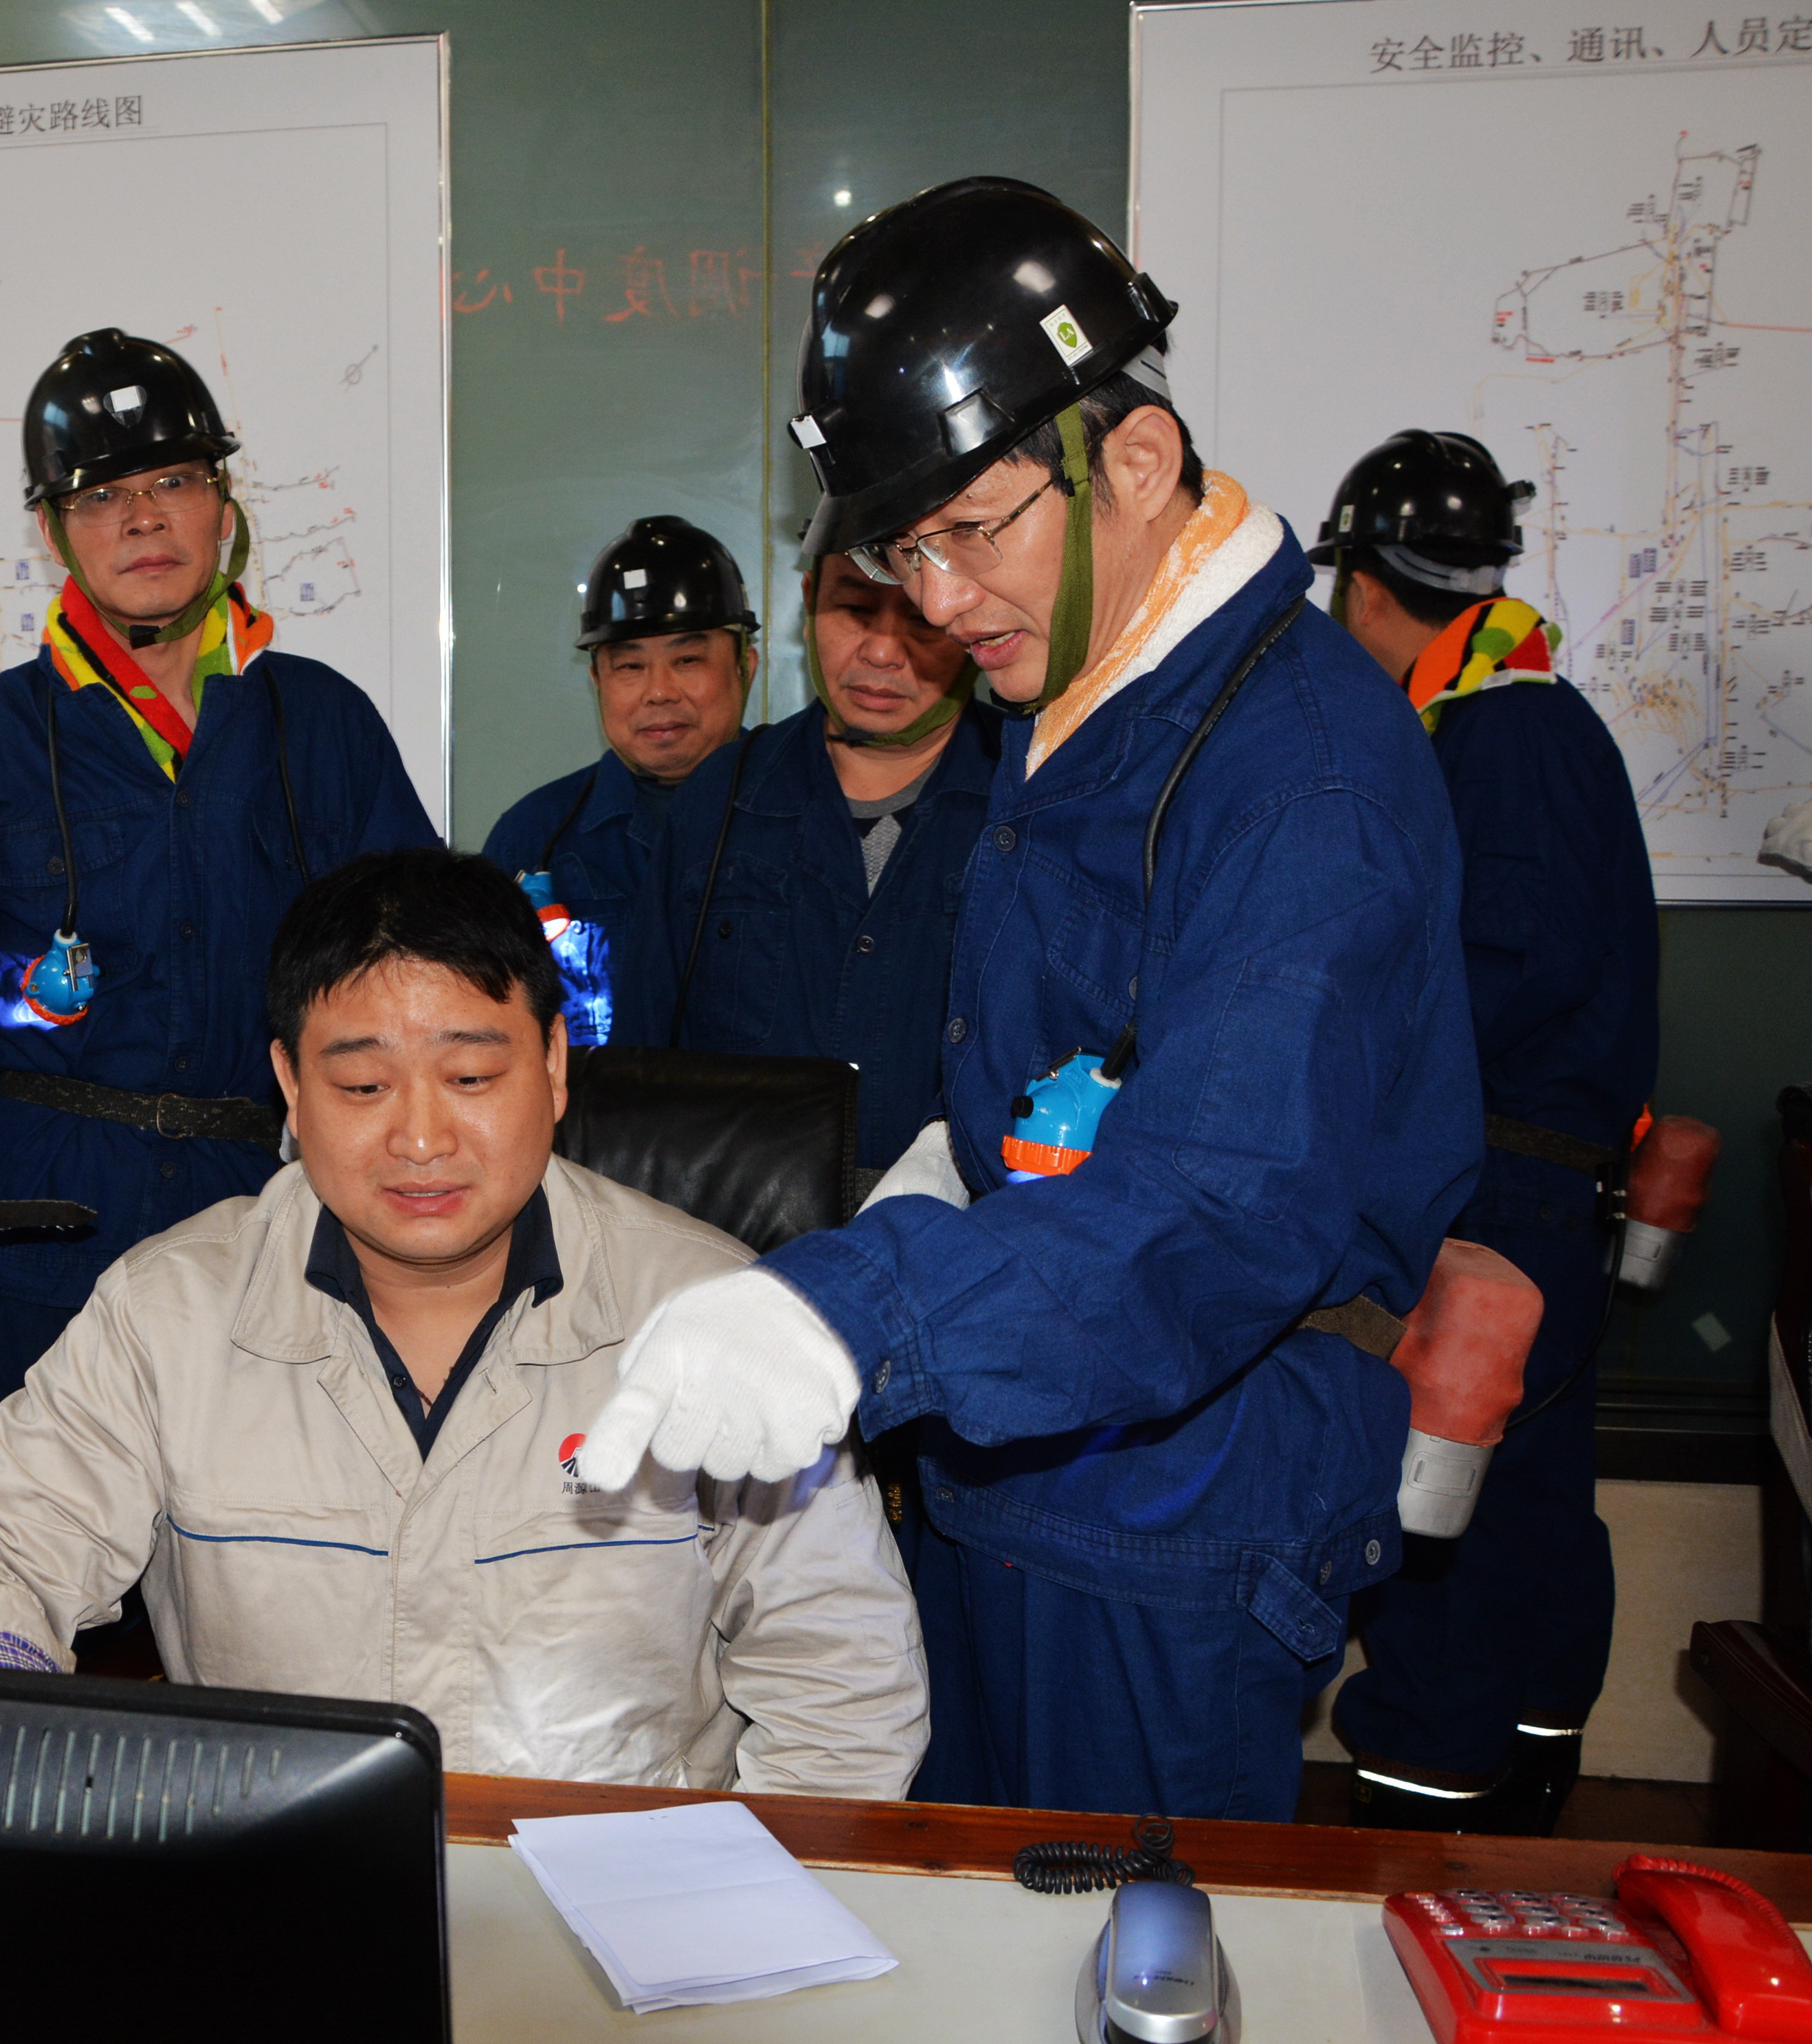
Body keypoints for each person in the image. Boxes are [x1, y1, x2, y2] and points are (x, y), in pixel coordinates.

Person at [575, 176, 1483, 1823]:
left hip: (1170, 1520)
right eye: (896, 551)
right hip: (1016, 1473)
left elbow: (1217, 1201)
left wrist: (862, 1311)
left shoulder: (1299, 777)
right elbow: (1063, 1081)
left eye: (966, 533)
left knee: (1116, 1966)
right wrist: (938, 1171)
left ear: (1132, 462)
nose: (928, 604)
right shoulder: (1085, 700)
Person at [0, 847, 928, 1797]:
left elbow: (843, 1674)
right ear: (288, 1090)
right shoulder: (172, 1312)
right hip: (288, 1900)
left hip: (622, 1923)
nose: (422, 1140)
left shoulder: (715, 1317)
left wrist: (744, 1920)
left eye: (472, 1075)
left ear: (550, 1067)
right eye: (361, 1089)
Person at [0, 328, 436, 1455]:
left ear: (223, 507)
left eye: (174, 482)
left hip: (266, 1224)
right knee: (53, 1593)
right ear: (54, 532)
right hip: (37, 1235)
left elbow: (415, 994)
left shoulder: (321, 724)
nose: (143, 518)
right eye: (101, 497)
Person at [1312, 430, 1658, 1835]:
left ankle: (1424, 1787)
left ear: (1372, 589)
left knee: (1444, 1507)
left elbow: (1497, 972)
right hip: (1554, 1192)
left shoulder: (1500, 738)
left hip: (1497, 1187)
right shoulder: (1541, 716)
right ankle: (1524, 1764)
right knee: (1534, 1506)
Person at [611, 545, 999, 1176]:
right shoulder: (721, 798)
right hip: (740, 1241)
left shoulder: (1030, 796)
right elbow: (640, 1066)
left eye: (921, 619)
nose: (880, 652)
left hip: (954, 1244)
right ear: (810, 599)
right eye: (852, 609)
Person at [482, 516, 759, 1047]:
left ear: (745, 666)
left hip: (761, 1126)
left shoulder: (803, 814)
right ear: (597, 680)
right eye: (629, 667)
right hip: (592, 1127)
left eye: (687, 659)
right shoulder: (536, 838)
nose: (658, 692)